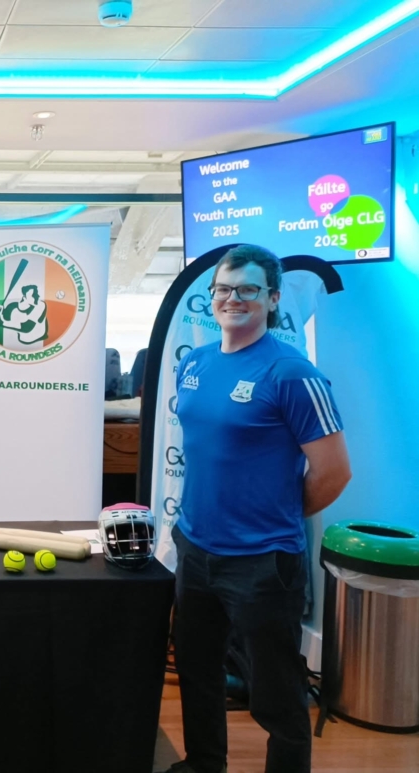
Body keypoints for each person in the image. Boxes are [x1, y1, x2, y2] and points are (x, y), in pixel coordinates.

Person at [164, 244, 352, 773]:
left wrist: (277, 517)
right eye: (224, 289)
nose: (233, 299)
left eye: (248, 289)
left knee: (275, 693)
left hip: (263, 563)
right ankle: (205, 763)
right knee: (199, 674)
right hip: (196, 551)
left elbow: (334, 472)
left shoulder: (293, 373)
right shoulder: (196, 363)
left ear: (272, 299)